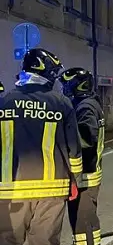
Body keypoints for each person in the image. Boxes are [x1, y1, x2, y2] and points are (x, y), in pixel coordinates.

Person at [0, 48, 83, 245]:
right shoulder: (61, 103)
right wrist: (75, 180)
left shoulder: (4, 101)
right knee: (44, 242)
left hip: (9, 189)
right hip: (51, 189)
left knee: (7, 240)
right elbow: (74, 149)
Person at [59, 68, 104, 245]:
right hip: (90, 173)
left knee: (82, 223)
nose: (64, 89)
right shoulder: (89, 104)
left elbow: (86, 138)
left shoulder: (85, 108)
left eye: (67, 85)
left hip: (85, 175)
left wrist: (63, 136)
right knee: (88, 221)